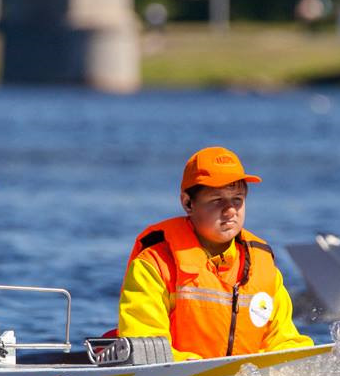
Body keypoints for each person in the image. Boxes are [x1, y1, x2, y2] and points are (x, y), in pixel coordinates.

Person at [118, 146, 314, 361]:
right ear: (187, 203)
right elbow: (145, 345)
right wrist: (188, 366)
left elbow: (283, 341)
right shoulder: (154, 264)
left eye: (237, 199)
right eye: (217, 200)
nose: (230, 210)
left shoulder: (264, 268)